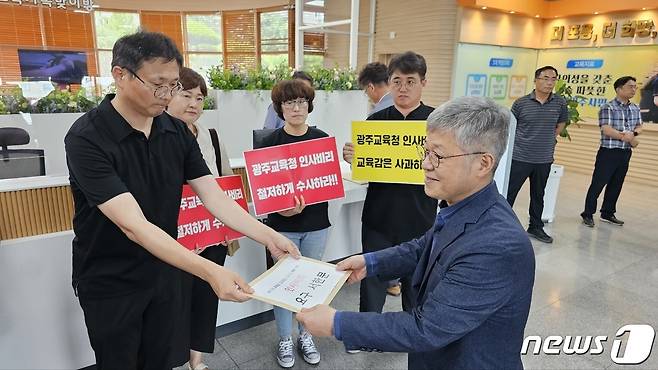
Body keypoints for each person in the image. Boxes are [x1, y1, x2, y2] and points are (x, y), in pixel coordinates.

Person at [64, 31, 299, 370]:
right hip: (110, 280)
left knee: (162, 361)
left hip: (167, 271)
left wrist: (270, 236)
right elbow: (135, 227)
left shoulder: (174, 132)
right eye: (158, 84)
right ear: (120, 75)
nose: (167, 95)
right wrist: (209, 271)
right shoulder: (87, 137)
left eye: (173, 85)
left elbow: (214, 196)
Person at [297, 96, 535, 370]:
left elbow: (425, 328)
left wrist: (337, 323)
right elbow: (426, 246)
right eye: (425, 152)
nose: (426, 164)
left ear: (483, 163)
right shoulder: (463, 205)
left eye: (439, 155)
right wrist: (371, 262)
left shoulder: (497, 245)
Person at [342, 51, 438, 320]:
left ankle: (416, 329)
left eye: (410, 81)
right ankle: (367, 332)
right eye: (397, 81)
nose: (403, 88)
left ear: (423, 83)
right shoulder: (375, 122)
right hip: (379, 215)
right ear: (389, 82)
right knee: (372, 276)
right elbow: (366, 168)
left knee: (416, 280)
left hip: (420, 214)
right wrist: (352, 157)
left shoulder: (437, 123)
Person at [166, 67, 235, 370]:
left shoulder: (212, 136)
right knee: (173, 302)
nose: (194, 103)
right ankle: (174, 358)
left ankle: (197, 360)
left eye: (199, 97)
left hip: (212, 235)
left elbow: (226, 183)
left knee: (206, 298)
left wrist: (230, 228)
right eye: (186, 95)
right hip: (173, 241)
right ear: (168, 94)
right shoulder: (154, 136)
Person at [259, 79, 331, 368]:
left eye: (301, 101)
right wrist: (283, 211)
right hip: (281, 226)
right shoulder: (269, 143)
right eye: (289, 102)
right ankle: (285, 338)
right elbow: (265, 192)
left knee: (311, 285)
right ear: (280, 108)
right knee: (283, 286)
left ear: (309, 105)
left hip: (316, 224)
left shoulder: (322, 138)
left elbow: (326, 181)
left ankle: (306, 335)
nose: (296, 108)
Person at [506, 65, 568, 244]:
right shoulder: (521, 103)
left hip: (543, 158)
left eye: (553, 79)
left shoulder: (559, 103)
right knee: (509, 193)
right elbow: (512, 127)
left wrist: (548, 138)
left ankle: (535, 226)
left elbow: (561, 124)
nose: (550, 82)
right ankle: (503, 226)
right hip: (520, 157)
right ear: (536, 80)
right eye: (546, 78)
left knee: (538, 194)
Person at [356, 61, 399, 297]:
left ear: (371, 87)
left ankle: (388, 281)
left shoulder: (378, 115)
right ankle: (394, 281)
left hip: (382, 200)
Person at [580, 76, 642, 228]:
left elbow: (639, 126)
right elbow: (606, 129)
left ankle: (607, 213)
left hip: (625, 152)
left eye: (635, 87)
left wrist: (633, 135)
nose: (634, 89)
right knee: (598, 183)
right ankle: (587, 214)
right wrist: (625, 137)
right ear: (619, 89)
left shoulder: (635, 108)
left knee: (616, 183)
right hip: (608, 152)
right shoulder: (608, 107)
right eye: (630, 86)